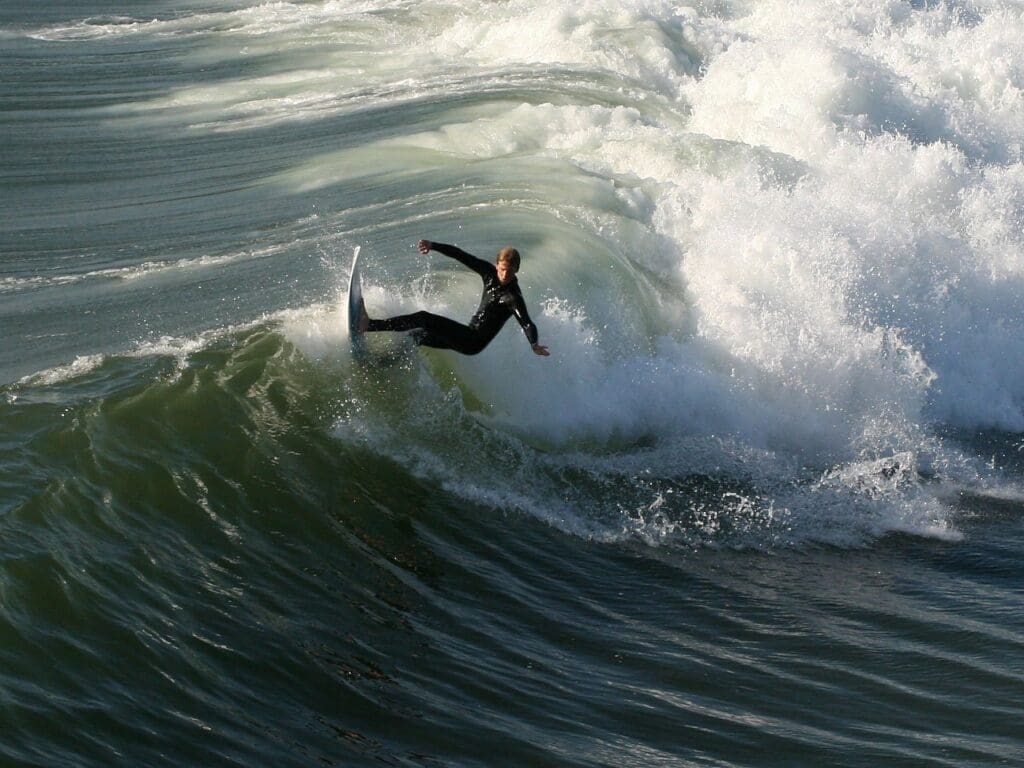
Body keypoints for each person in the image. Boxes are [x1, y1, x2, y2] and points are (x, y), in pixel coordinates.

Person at [360, 239, 550, 357]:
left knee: (424, 318)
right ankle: (382, 361)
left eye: (510, 271)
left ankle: (370, 326)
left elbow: (526, 322)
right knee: (417, 336)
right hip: (468, 334)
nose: (505, 274)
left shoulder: (512, 297)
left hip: (472, 342)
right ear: (497, 265)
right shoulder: (489, 273)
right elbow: (461, 256)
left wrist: (534, 343)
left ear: (517, 269)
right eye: (502, 269)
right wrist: (433, 246)